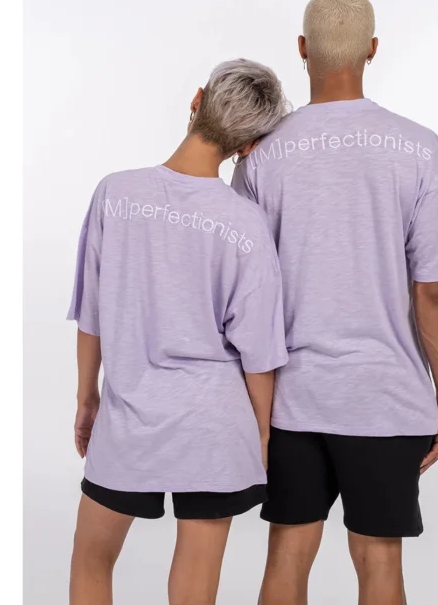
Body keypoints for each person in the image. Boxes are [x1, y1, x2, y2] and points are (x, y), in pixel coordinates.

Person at [232, 0, 438, 605]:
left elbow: (240, 288)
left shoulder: (261, 155)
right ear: (371, 49)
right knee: (379, 560)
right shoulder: (419, 147)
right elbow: (435, 292)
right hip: (384, 396)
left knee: (287, 555)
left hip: (288, 397)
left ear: (302, 49)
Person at [67, 59, 289, 605]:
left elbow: (92, 313)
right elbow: (258, 351)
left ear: (196, 100)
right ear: (247, 146)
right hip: (215, 425)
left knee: (92, 560)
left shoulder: (115, 193)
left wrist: (87, 398)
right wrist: (261, 435)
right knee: (195, 588)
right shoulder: (246, 222)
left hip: (128, 415)